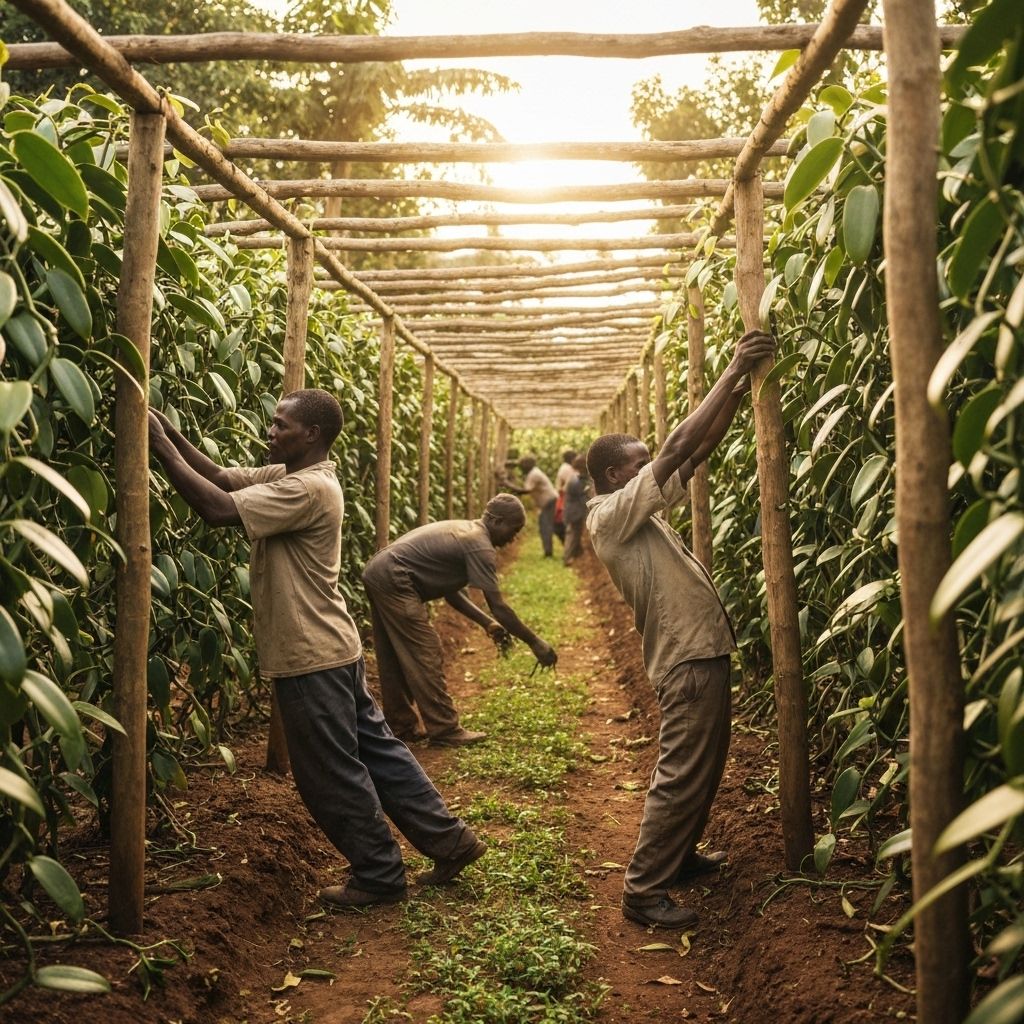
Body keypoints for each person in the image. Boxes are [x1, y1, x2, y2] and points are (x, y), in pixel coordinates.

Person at [146, 389, 486, 910]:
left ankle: (378, 874)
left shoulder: (306, 490)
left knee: (328, 771)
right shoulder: (288, 476)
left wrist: (157, 448)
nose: (270, 431)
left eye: (280, 425)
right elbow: (217, 477)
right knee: (380, 753)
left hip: (310, 655)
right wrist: (165, 429)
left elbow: (215, 509)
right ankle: (450, 840)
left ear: (312, 436)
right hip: (333, 648)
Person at [586, 328, 777, 929]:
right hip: (685, 659)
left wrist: (740, 388)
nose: (653, 468)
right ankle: (643, 891)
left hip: (700, 651)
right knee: (681, 771)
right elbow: (674, 449)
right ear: (616, 476)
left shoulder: (638, 508)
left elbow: (695, 452)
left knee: (706, 763)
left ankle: (681, 855)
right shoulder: (612, 516)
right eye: (639, 464)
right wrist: (729, 371)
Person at [362, 494, 558, 746]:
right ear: (497, 521)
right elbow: (499, 606)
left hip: (379, 571)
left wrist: (487, 623)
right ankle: (444, 729)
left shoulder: (469, 532)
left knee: (393, 653)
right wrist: (535, 643)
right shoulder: (480, 545)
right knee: (425, 651)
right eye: (514, 528)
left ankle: (401, 725)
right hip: (394, 577)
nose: (514, 537)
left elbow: (452, 594)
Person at [509, 456, 558, 557]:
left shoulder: (534, 474)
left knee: (545, 526)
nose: (521, 468)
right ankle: (550, 550)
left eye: (522, 465)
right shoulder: (533, 472)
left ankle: (548, 552)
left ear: (527, 465)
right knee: (547, 525)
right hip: (548, 501)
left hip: (548, 501)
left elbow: (526, 491)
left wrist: (506, 484)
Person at [561, 454, 591, 566]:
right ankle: (567, 558)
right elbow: (582, 497)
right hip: (574, 512)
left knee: (575, 534)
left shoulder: (576, 477)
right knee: (572, 535)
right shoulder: (576, 480)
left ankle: (577, 555)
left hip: (572, 510)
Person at [553, 449, 577, 544]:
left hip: (563, 497)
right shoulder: (567, 469)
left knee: (560, 521)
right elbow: (569, 486)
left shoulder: (565, 467)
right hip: (564, 497)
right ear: (571, 459)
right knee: (562, 522)